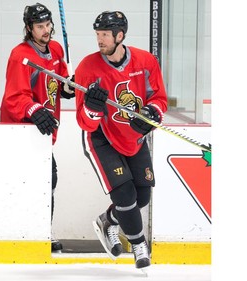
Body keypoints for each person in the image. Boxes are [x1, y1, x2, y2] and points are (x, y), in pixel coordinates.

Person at [74, 11, 167, 270]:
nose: (100, 40)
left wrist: (150, 114)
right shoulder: (87, 67)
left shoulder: (146, 61)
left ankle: (108, 220)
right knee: (125, 194)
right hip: (101, 138)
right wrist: (92, 109)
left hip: (133, 137)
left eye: (105, 34)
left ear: (120, 35)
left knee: (142, 197)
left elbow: (159, 98)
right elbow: (84, 122)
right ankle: (139, 244)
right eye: (97, 34)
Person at [0, 2, 75, 252]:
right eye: (39, 26)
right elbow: (14, 96)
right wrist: (34, 109)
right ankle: (28, 230)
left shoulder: (55, 49)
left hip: (43, 130)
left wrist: (69, 87)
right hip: (22, 129)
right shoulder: (20, 55)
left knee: (47, 180)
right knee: (33, 180)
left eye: (47, 25)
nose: (46, 30)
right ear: (29, 28)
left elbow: (60, 84)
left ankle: (42, 230)